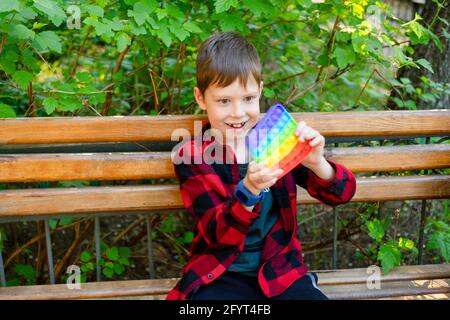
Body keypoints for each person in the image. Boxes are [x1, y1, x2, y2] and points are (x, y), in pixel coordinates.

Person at [166, 32, 356, 300]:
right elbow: (219, 236)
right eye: (223, 101)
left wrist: (317, 163)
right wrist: (248, 191)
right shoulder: (194, 157)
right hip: (222, 273)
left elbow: (341, 194)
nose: (238, 112)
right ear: (200, 97)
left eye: (248, 98)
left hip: (280, 270)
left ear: (260, 91)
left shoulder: (277, 138)